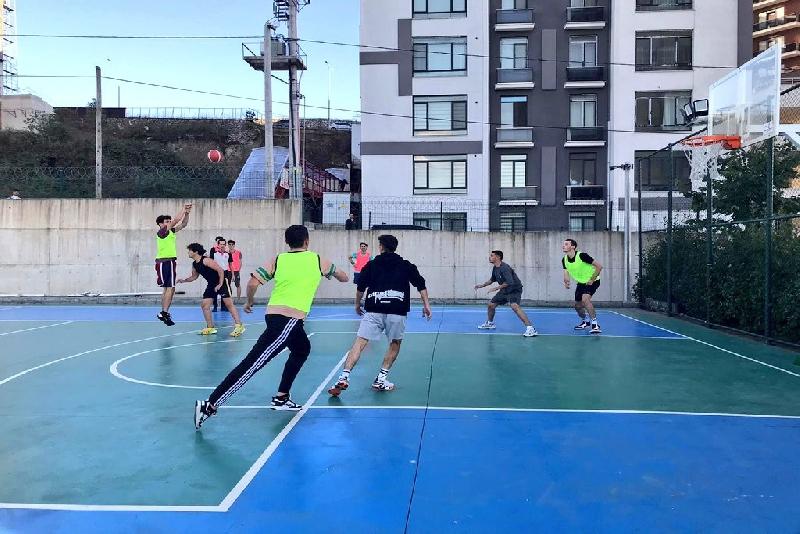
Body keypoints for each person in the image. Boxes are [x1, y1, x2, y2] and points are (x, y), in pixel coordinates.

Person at [194, 225, 349, 430]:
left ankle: (282, 397)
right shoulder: (318, 260)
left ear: (287, 243)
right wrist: (332, 274)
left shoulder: (278, 259)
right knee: (253, 363)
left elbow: (251, 283)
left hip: (277, 316)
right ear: (307, 241)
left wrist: (249, 302)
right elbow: (344, 276)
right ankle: (209, 405)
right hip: (288, 320)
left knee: (302, 349)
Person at [328, 234, 431, 396]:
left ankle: (344, 376)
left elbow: (360, 288)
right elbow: (421, 285)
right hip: (397, 311)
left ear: (381, 247)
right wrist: (426, 305)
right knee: (395, 344)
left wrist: (357, 304)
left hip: (374, 310)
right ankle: (381, 380)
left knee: (360, 343)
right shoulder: (406, 265)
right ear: (395, 247)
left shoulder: (371, 265)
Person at [177, 244, 246, 337]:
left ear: (196, 252)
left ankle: (239, 326)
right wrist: (183, 281)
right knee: (205, 305)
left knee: (229, 304)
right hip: (211, 285)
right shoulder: (194, 264)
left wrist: (220, 284)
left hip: (221, 282)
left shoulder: (206, 260)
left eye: (189, 250)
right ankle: (210, 328)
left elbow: (220, 270)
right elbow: (194, 277)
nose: (188, 252)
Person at [474, 250, 537, 337]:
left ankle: (531, 328)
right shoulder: (495, 268)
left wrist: (496, 288)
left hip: (514, 289)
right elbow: (492, 280)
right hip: (505, 290)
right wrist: (482, 285)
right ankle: (490, 323)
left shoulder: (505, 268)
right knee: (491, 305)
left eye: (492, 256)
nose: (490, 257)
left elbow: (509, 282)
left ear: (498, 257)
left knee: (514, 306)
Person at [155, 204, 192, 326]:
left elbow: (183, 224)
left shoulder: (170, 231)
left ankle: (164, 312)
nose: (170, 223)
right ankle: (164, 312)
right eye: (167, 221)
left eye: (169, 221)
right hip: (165, 261)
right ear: (161, 224)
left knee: (169, 288)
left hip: (169, 262)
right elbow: (176, 220)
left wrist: (186, 213)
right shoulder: (162, 232)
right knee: (169, 288)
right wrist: (183, 208)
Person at [562, 238, 603, 334]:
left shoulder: (582, 256)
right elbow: (566, 271)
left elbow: (599, 266)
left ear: (573, 246)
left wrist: (592, 279)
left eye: (566, 244)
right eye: (563, 244)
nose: (563, 246)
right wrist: (566, 281)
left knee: (585, 300)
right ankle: (586, 321)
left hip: (593, 281)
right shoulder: (564, 259)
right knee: (577, 306)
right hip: (580, 283)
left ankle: (595, 324)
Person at [209, 236, 233, 312]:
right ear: (218, 245)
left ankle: (224, 307)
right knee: (215, 290)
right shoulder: (214, 254)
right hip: (216, 273)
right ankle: (215, 306)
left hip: (226, 273)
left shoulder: (228, 254)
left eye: (223, 244)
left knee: (225, 291)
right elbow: (210, 263)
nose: (222, 245)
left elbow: (230, 265)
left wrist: (232, 275)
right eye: (221, 244)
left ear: (225, 245)